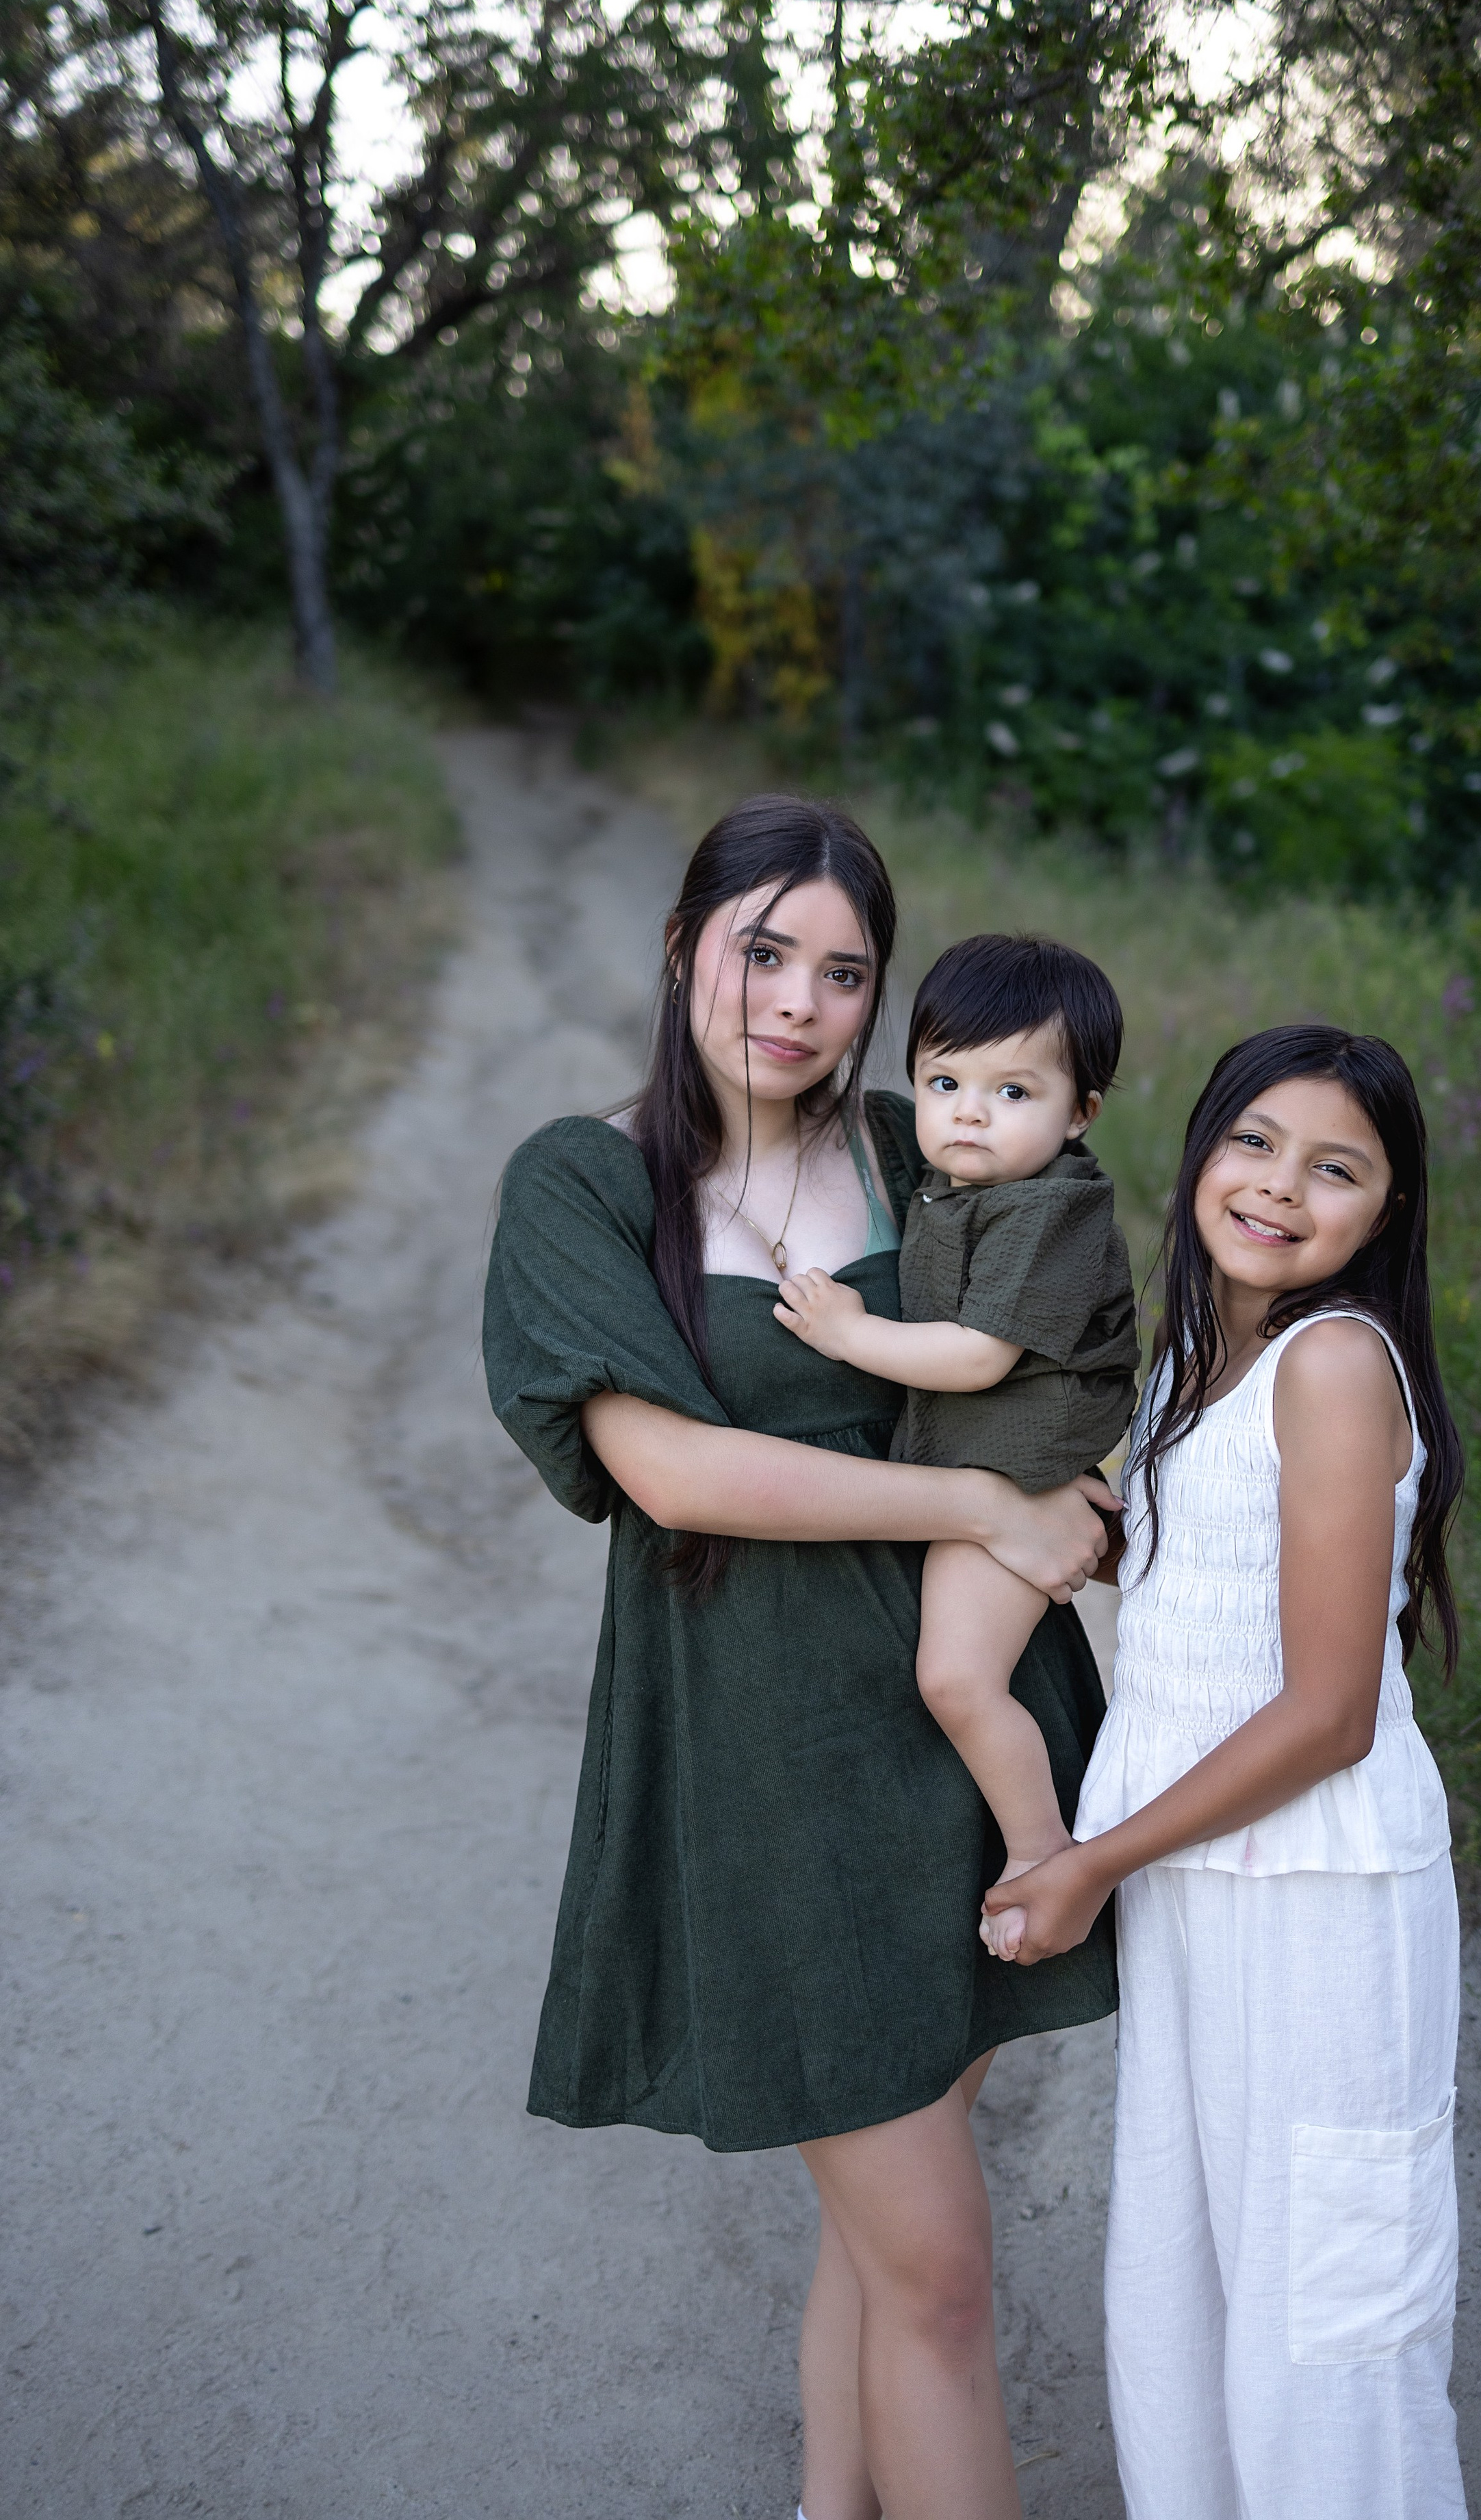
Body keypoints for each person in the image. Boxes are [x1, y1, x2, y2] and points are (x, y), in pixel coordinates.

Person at [482, 795, 1120, 2520]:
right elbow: (671, 1469)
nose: (799, 1001)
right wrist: (979, 1506)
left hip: (971, 1737)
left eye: (845, 971)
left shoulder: (928, 1147)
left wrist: (1091, 1486)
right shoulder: (585, 1179)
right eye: (764, 952)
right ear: (687, 944)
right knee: (942, 2275)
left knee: (884, 2230)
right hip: (771, 1766)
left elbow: (1080, 1335)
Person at [986, 1024, 1469, 2520]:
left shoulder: (1331, 1363)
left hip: (1316, 1901)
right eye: (1252, 1140)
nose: (1277, 1186)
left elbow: (1327, 1708)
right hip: (1204, 1886)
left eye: (1335, 1167)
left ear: (1382, 1211)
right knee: (1180, 2278)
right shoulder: (1209, 1358)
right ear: (1199, 1148)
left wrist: (1088, 1856)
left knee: (1321, 2320)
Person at [773, 934, 1138, 1962]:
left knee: (957, 1680)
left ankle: (1039, 1854)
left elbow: (979, 1356)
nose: (969, 1111)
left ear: (1079, 1115)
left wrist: (850, 1334)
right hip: (981, 1460)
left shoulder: (1050, 1206)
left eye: (1013, 1090)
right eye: (944, 1080)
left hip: (1016, 1464)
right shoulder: (956, 1184)